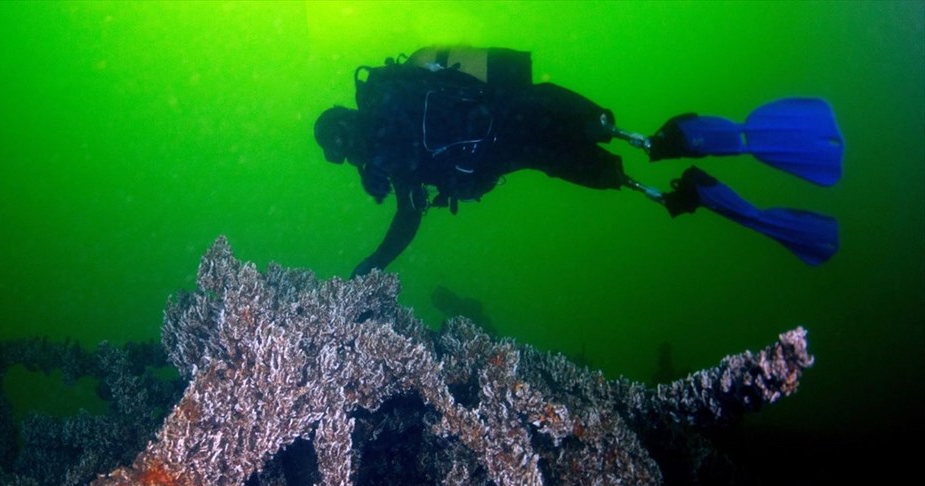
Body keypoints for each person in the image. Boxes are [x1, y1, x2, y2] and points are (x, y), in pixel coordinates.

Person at [314, 47, 843, 276]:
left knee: (612, 172)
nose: (348, 154)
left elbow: (408, 217)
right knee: (620, 137)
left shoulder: (389, 153)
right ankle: (683, 147)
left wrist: (372, 264)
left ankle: (680, 188)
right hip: (523, 114)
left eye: (339, 149)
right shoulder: (393, 97)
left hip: (516, 146)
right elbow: (464, 67)